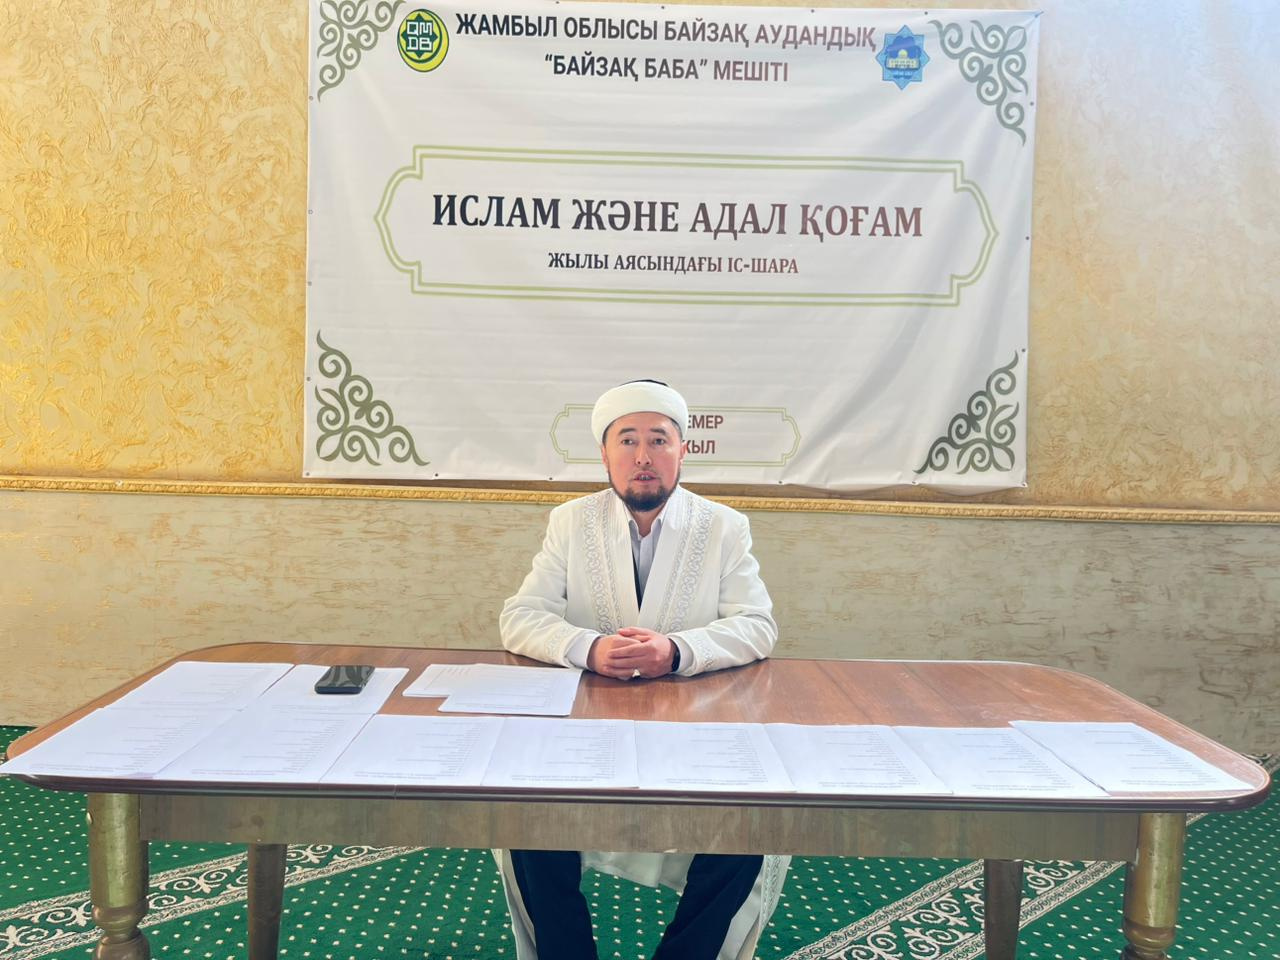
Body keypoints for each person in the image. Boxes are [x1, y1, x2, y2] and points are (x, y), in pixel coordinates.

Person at [496, 379, 790, 960]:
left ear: (684, 450)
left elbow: (758, 625)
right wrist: (588, 647)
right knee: (526, 820)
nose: (643, 455)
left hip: (694, 728)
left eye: (659, 440)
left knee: (749, 830)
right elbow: (520, 616)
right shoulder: (571, 521)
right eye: (626, 440)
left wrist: (675, 651)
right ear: (604, 454)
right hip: (585, 730)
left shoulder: (723, 526)